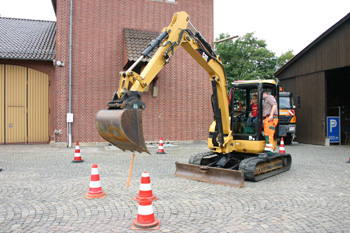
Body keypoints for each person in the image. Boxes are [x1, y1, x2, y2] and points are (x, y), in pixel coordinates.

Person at [259, 91, 278, 159]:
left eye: (261, 95)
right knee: (267, 135)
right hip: (267, 118)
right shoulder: (265, 100)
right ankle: (267, 150)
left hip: (270, 119)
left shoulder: (269, 97)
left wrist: (271, 115)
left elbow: (274, 105)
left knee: (269, 134)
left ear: (265, 93)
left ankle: (269, 152)